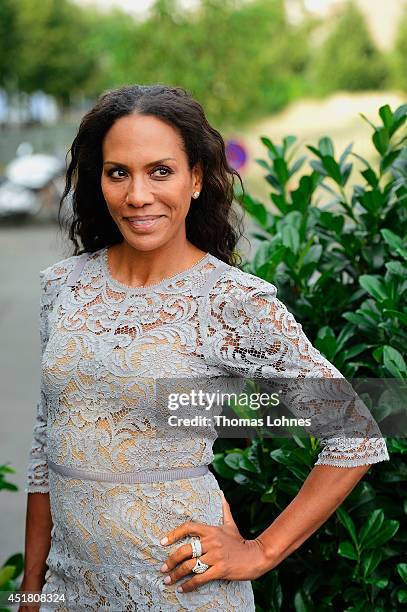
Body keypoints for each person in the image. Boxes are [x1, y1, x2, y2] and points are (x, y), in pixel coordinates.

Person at [20, 84, 389, 611]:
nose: (138, 195)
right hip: (71, 590)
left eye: (161, 171)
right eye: (118, 172)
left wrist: (261, 552)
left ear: (196, 178)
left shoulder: (230, 302)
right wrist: (31, 589)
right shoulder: (64, 287)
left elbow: (354, 433)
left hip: (181, 590)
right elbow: (45, 443)